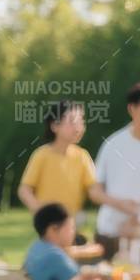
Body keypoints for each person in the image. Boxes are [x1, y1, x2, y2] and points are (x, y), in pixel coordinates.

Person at [89, 81, 140, 261]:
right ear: (132, 109)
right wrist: (122, 204)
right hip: (116, 230)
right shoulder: (113, 145)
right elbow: (95, 191)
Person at [17, 100, 96, 234]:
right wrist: (41, 213)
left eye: (81, 121)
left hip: (72, 226)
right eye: (72, 121)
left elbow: (94, 189)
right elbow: (24, 190)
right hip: (48, 227)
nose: (78, 127)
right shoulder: (41, 155)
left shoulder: (82, 156)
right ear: (54, 126)